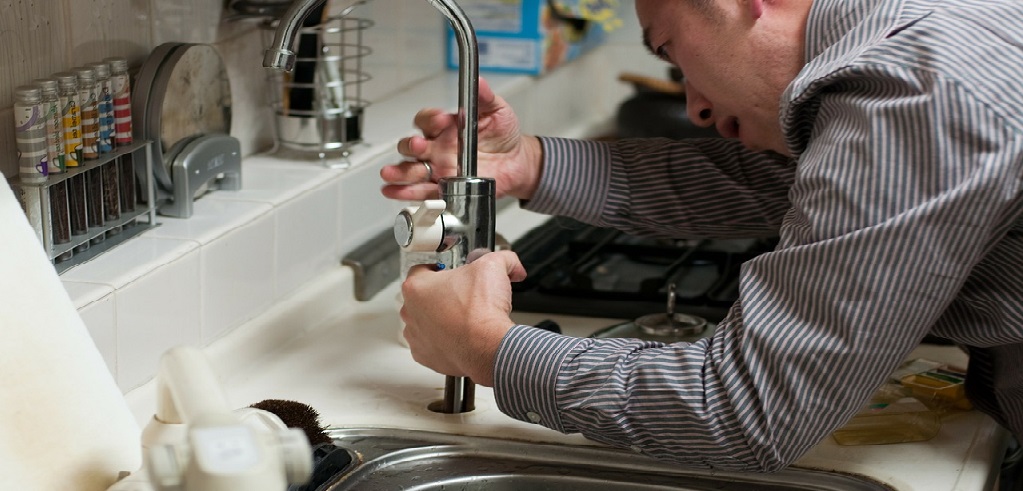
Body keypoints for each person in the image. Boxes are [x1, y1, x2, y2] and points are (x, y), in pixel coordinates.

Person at [380, 0, 1023, 473]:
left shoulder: (912, 90)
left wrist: (486, 348)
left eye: (670, 51)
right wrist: (527, 164)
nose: (695, 108)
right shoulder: (915, 34)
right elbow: (761, 182)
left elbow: (747, 411)